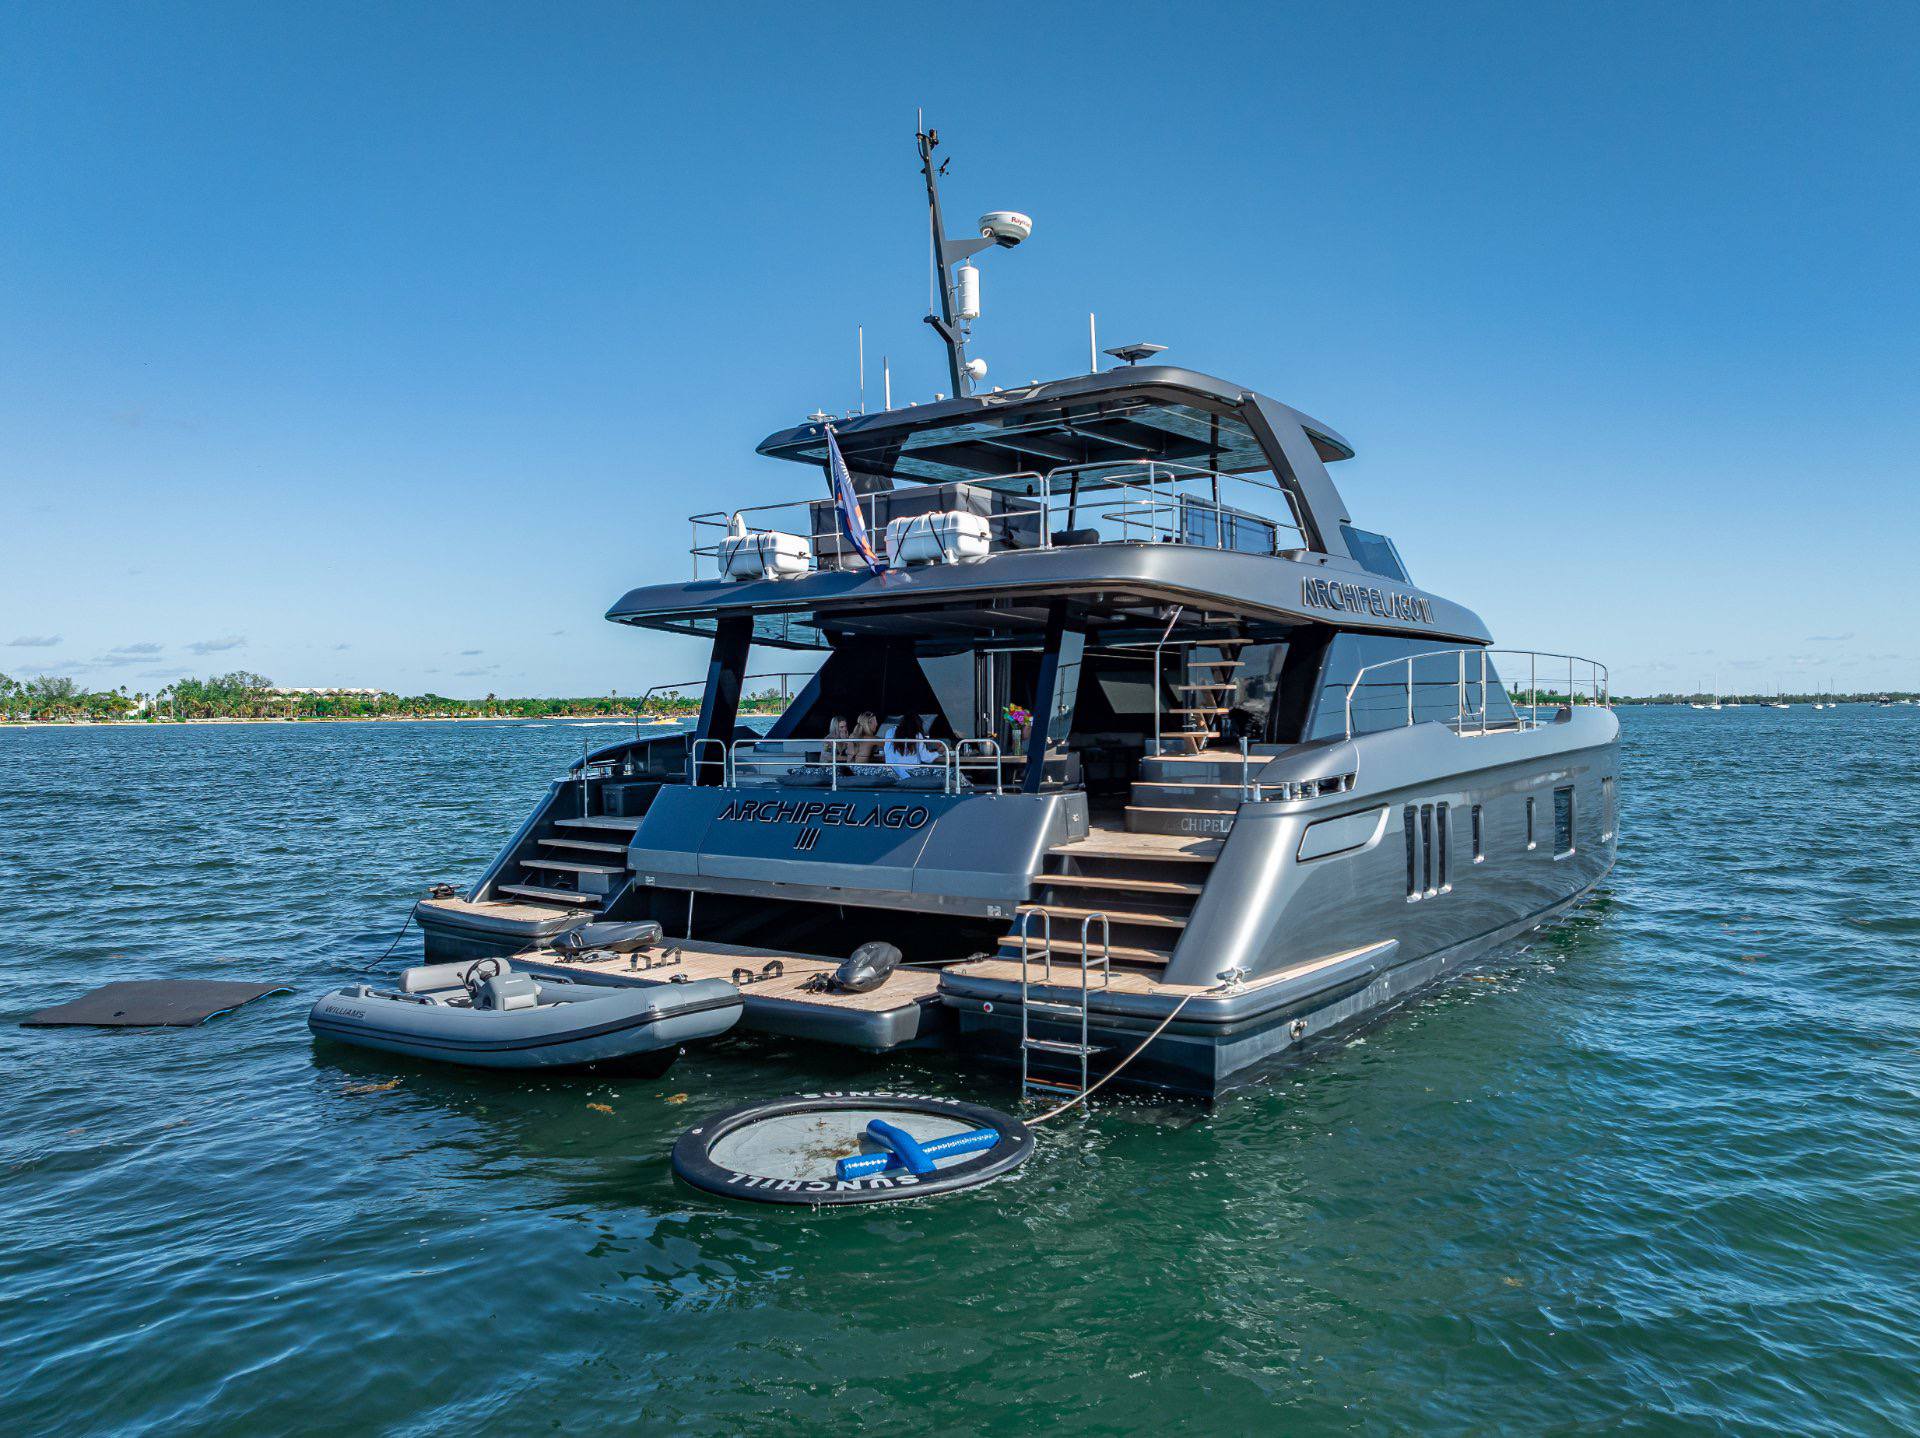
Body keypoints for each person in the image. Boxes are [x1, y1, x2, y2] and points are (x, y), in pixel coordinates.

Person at [883, 711, 940, 778]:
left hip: (892, 776)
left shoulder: (890, 732)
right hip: (910, 777)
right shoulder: (917, 735)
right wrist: (939, 752)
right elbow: (925, 758)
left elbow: (886, 752)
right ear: (918, 724)